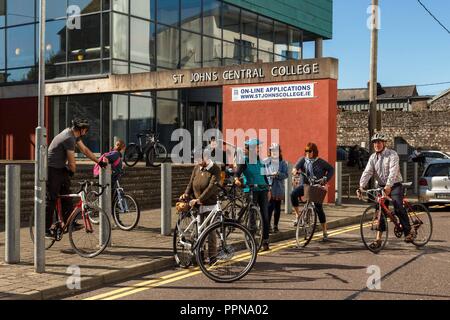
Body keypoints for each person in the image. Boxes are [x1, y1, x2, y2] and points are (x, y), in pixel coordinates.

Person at [46, 118, 107, 238]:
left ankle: (70, 223)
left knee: (67, 196)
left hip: (60, 167)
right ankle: (45, 229)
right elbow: (72, 161)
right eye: (86, 130)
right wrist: (72, 171)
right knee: (51, 198)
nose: (87, 132)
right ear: (82, 130)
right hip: (51, 168)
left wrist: (98, 162)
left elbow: (84, 150)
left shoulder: (72, 134)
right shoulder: (68, 138)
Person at [357, 132, 415, 249]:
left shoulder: (392, 154)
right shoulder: (373, 157)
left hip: (395, 184)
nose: (376, 145)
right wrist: (361, 186)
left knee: (398, 206)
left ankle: (408, 232)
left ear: (384, 143)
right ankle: (378, 240)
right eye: (374, 143)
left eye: (379, 142)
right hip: (381, 186)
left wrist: (389, 186)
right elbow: (367, 172)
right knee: (380, 211)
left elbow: (393, 172)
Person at [180, 147, 221, 265]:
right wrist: (186, 193)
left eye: (199, 158)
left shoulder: (215, 169)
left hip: (210, 205)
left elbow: (211, 188)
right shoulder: (197, 168)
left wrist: (199, 199)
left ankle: (213, 256)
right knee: (198, 230)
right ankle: (199, 255)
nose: (197, 160)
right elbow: (191, 182)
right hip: (197, 205)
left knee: (211, 231)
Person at [291, 142, 334, 242]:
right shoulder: (303, 160)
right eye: (306, 151)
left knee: (319, 209)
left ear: (314, 151)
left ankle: (324, 231)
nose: (307, 153)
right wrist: (295, 171)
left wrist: (326, 179)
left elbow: (331, 169)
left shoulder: (320, 162)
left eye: (309, 151)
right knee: (293, 194)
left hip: (316, 186)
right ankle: (298, 216)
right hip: (304, 185)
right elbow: (295, 167)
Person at [233, 139, 271, 251]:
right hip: (251, 190)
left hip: (263, 189)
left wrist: (269, 188)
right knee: (252, 217)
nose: (258, 149)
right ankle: (252, 240)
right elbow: (237, 173)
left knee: (265, 215)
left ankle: (265, 241)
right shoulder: (244, 160)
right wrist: (236, 179)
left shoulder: (259, 160)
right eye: (256, 147)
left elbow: (263, 175)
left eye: (258, 147)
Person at [264, 143, 288, 234]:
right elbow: (262, 173)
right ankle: (268, 226)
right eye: (272, 150)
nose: (273, 152)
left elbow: (286, 175)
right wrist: (269, 175)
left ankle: (275, 226)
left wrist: (278, 174)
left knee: (277, 208)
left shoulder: (282, 163)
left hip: (278, 188)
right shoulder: (266, 162)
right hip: (269, 187)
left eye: (275, 151)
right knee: (269, 207)